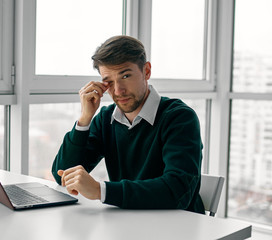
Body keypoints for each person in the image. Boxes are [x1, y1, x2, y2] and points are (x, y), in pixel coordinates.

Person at [51, 35, 205, 214]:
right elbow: (61, 174)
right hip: (128, 222)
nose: (118, 90)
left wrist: (100, 191)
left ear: (146, 71)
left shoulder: (179, 117)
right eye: (108, 81)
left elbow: (177, 191)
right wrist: (85, 118)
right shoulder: (105, 118)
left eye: (125, 75)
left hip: (180, 227)